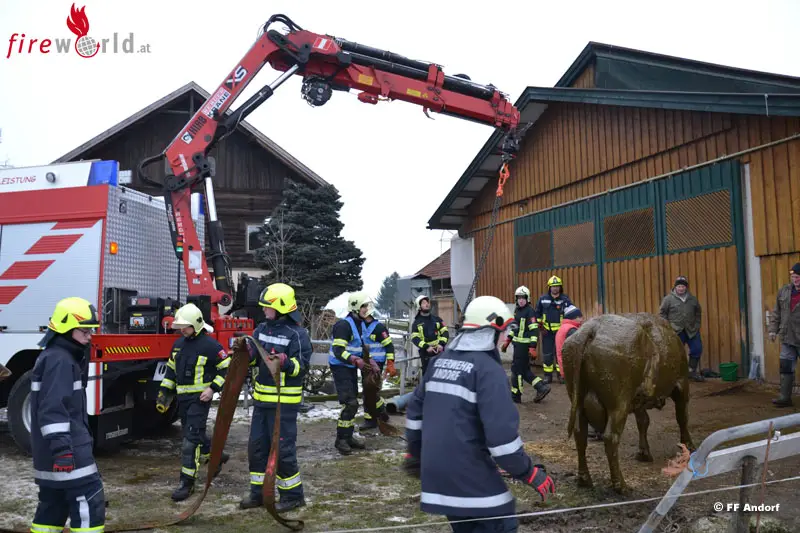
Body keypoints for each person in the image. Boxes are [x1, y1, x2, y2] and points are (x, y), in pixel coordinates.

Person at [402, 295, 556, 533]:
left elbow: (414, 416)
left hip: (439, 477)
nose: (504, 338)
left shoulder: (438, 362)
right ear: (490, 331)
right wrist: (529, 472)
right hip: (470, 475)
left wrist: (415, 453)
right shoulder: (488, 371)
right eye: (502, 332)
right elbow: (502, 441)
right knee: (502, 525)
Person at [29, 297, 106, 533]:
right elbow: (53, 409)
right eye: (85, 331)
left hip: (51, 453)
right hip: (68, 452)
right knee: (89, 501)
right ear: (66, 328)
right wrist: (63, 451)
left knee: (52, 508)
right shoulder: (60, 361)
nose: (90, 336)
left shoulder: (56, 356)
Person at [240, 283, 311, 512]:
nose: (263, 310)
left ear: (281, 307)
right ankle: (259, 493)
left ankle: (293, 496)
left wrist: (286, 362)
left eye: (267, 306)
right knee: (257, 448)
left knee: (282, 451)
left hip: (284, 406)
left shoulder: (297, 334)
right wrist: (244, 351)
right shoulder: (261, 329)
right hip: (262, 402)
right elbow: (254, 359)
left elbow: (301, 368)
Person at [156, 303, 231, 501]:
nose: (182, 330)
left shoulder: (211, 346)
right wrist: (165, 392)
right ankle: (216, 456)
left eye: (185, 327)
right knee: (194, 434)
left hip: (200, 400)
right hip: (183, 400)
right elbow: (171, 371)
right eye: (180, 327)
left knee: (189, 441)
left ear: (196, 325)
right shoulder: (178, 345)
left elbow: (226, 369)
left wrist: (212, 389)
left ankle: (186, 483)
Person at [328, 291, 381, 455]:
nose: (367, 309)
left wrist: (370, 361)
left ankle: (348, 436)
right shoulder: (343, 326)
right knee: (350, 403)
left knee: (353, 402)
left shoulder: (360, 324)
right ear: (355, 307)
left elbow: (361, 347)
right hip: (340, 367)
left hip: (350, 367)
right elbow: (338, 351)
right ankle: (341, 440)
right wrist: (354, 360)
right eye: (364, 306)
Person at [554, 305, 601, 439]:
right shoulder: (571, 331)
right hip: (575, 371)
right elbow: (580, 349)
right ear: (573, 317)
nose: (582, 319)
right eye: (580, 317)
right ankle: (595, 428)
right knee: (587, 400)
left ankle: (586, 427)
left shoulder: (563, 328)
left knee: (579, 400)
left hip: (568, 370)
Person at [501, 286, 550, 404]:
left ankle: (516, 395)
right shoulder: (517, 310)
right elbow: (515, 328)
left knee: (516, 371)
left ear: (527, 299)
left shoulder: (530, 311)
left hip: (524, 347)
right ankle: (541, 387)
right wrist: (508, 340)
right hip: (517, 345)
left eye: (523, 298)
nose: (521, 300)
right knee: (524, 371)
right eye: (519, 298)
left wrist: (532, 347)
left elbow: (534, 331)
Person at [659, 276, 704, 382]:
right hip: (676, 331)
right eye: (679, 286)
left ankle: (691, 371)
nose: (681, 288)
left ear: (686, 287)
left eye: (683, 286)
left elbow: (698, 312)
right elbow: (662, 313)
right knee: (676, 353)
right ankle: (676, 375)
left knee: (697, 349)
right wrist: (668, 327)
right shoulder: (668, 299)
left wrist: (697, 325)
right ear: (675, 287)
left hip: (691, 330)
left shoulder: (692, 299)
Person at [768, 263, 800, 407]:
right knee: (785, 366)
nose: (795, 280)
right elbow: (777, 312)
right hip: (787, 337)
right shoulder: (784, 291)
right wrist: (772, 330)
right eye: (793, 277)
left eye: (798, 277)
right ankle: (785, 397)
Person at [360, 308, 397, 430]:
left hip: (376, 364)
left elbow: (389, 346)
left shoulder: (379, 328)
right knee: (370, 392)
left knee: (368, 392)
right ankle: (381, 412)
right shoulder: (359, 326)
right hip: (364, 362)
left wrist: (390, 363)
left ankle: (370, 420)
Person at [533, 276, 572, 383]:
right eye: (553, 286)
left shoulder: (565, 299)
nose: (555, 288)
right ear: (549, 287)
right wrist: (541, 327)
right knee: (547, 355)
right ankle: (547, 376)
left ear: (560, 287)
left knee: (560, 354)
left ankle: (561, 375)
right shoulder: (543, 299)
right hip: (547, 332)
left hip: (561, 333)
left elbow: (570, 313)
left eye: (557, 286)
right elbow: (537, 314)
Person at [410, 295, 450, 376]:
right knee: (427, 376)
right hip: (426, 354)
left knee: (442, 375)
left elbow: (445, 332)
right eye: (424, 303)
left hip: (439, 351)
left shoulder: (437, 320)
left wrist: (441, 344)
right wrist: (426, 347)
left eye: (427, 302)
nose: (427, 304)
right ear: (419, 307)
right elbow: (415, 339)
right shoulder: (416, 323)